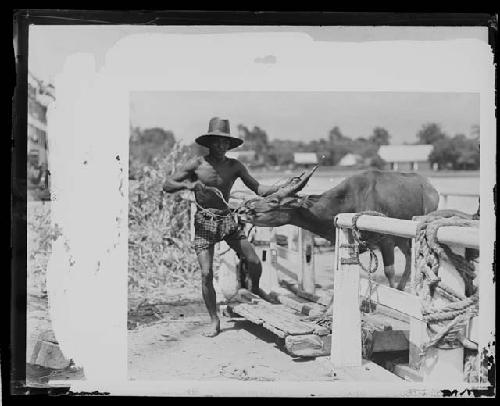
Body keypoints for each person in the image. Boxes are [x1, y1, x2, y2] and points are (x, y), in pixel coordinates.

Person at [162, 117, 283, 337]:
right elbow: (167, 184)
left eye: (224, 143)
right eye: (216, 142)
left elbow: (257, 187)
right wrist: (189, 185)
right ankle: (214, 320)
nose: (220, 146)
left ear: (229, 145)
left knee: (254, 261)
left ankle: (253, 291)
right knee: (206, 272)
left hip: (227, 220)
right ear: (209, 143)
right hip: (204, 222)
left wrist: (282, 188)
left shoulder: (235, 166)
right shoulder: (196, 165)